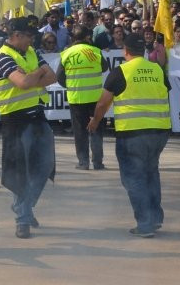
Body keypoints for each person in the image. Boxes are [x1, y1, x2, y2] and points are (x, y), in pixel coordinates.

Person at [86, 33, 171, 238]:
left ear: (125, 51)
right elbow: (165, 92)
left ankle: (145, 223)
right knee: (151, 173)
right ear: (143, 50)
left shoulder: (120, 71)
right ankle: (155, 217)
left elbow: (103, 102)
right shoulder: (157, 69)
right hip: (159, 131)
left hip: (133, 133)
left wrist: (95, 122)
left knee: (134, 178)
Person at [0, 17, 57, 239]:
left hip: (37, 117)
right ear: (16, 35)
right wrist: (37, 74)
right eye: (29, 36)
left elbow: (52, 77)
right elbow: (24, 83)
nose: (32, 40)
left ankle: (23, 206)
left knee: (46, 166)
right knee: (22, 172)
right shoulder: (3, 57)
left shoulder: (32, 52)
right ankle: (23, 218)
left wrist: (31, 76)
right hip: (16, 121)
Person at [59, 25, 107, 170]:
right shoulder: (95, 51)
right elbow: (104, 68)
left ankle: (83, 162)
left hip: (76, 97)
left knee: (80, 132)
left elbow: (59, 77)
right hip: (95, 98)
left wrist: (72, 85)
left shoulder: (66, 53)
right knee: (96, 129)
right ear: (87, 37)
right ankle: (98, 163)